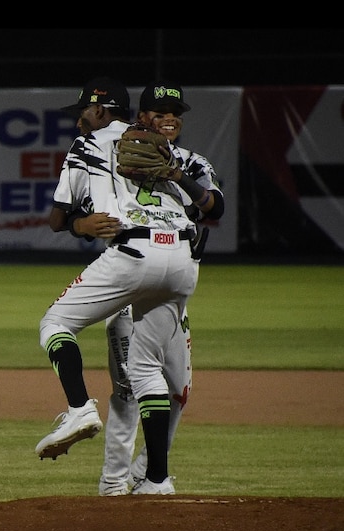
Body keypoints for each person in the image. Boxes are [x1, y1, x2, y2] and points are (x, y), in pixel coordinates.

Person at [36, 76, 220, 495]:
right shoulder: (173, 153)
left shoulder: (92, 144)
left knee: (56, 325)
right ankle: (141, 481)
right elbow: (211, 208)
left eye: (84, 112)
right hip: (180, 265)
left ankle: (81, 410)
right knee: (141, 377)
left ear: (99, 111)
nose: (80, 122)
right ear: (140, 116)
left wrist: (79, 224)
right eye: (160, 114)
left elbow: (57, 218)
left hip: (132, 258)